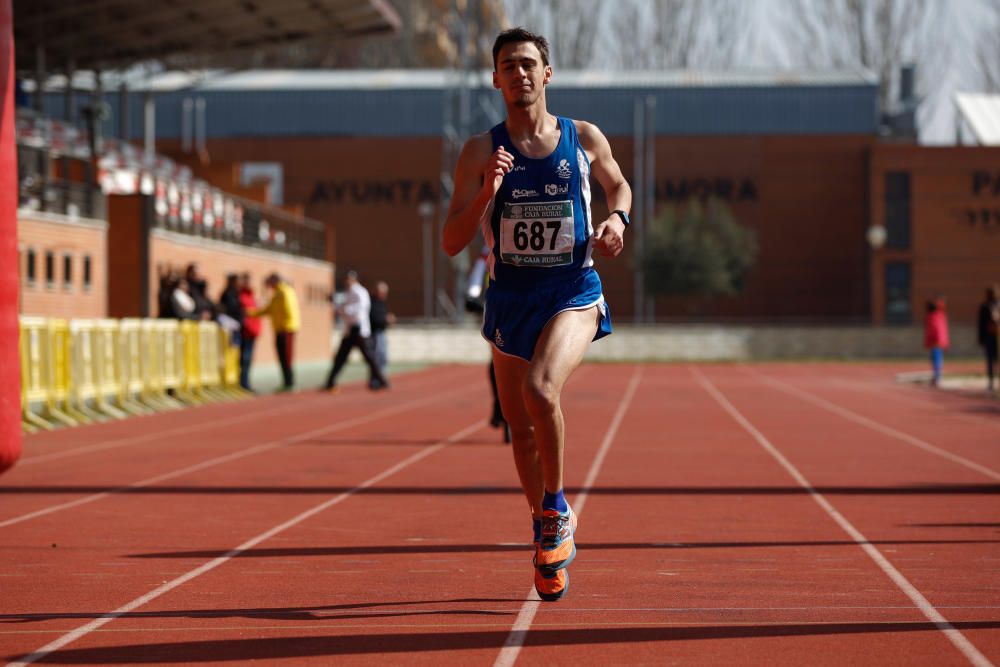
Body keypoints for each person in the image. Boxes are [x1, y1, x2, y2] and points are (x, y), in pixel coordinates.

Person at [442, 28, 631, 602]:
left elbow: (618, 184)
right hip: (509, 296)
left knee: (541, 391)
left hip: (572, 287)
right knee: (519, 427)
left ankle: (555, 508)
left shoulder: (582, 136)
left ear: (546, 74)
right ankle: (543, 528)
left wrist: (618, 222)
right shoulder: (479, 151)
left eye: (528, 64)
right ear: (495, 79)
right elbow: (451, 239)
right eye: (508, 66)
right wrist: (487, 194)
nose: (519, 74)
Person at [323, 270, 389, 392]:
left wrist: (343, 310)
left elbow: (358, 310)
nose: (347, 281)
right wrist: (337, 306)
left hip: (359, 330)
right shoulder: (348, 293)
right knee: (341, 357)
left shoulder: (360, 292)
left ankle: (382, 380)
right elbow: (344, 310)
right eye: (346, 279)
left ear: (355, 280)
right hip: (350, 329)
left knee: (369, 358)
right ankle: (330, 382)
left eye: (350, 279)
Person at [248, 273, 300, 392]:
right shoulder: (276, 293)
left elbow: (290, 310)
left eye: (269, 281)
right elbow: (268, 309)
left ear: (275, 280)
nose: (268, 284)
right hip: (280, 329)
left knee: (286, 355)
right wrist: (251, 313)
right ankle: (286, 381)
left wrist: (285, 327)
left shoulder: (285, 291)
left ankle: (290, 382)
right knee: (282, 356)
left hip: (286, 329)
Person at [368, 280, 395, 389]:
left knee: (382, 357)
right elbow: (374, 318)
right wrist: (385, 320)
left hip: (381, 332)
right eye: (383, 293)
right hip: (375, 333)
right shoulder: (372, 302)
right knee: (377, 357)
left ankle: (381, 378)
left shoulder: (380, 302)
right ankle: (376, 380)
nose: (385, 295)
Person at [238, 273, 262, 391]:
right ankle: (243, 382)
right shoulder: (241, 296)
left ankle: (246, 381)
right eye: (246, 281)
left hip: (253, 332)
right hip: (245, 332)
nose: (249, 284)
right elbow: (244, 314)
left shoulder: (252, 297)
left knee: (249, 359)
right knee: (244, 358)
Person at [923, 296, 949, 387]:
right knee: (936, 360)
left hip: (936, 343)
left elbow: (935, 330)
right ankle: (936, 377)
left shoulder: (933, 316)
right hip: (938, 342)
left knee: (936, 360)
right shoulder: (939, 315)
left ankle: (937, 378)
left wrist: (935, 341)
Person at [978, 286, 999, 392]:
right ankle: (991, 382)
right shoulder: (985, 306)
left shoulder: (999, 305)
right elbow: (981, 323)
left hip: (998, 336)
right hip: (990, 337)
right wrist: (981, 338)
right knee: (990, 360)